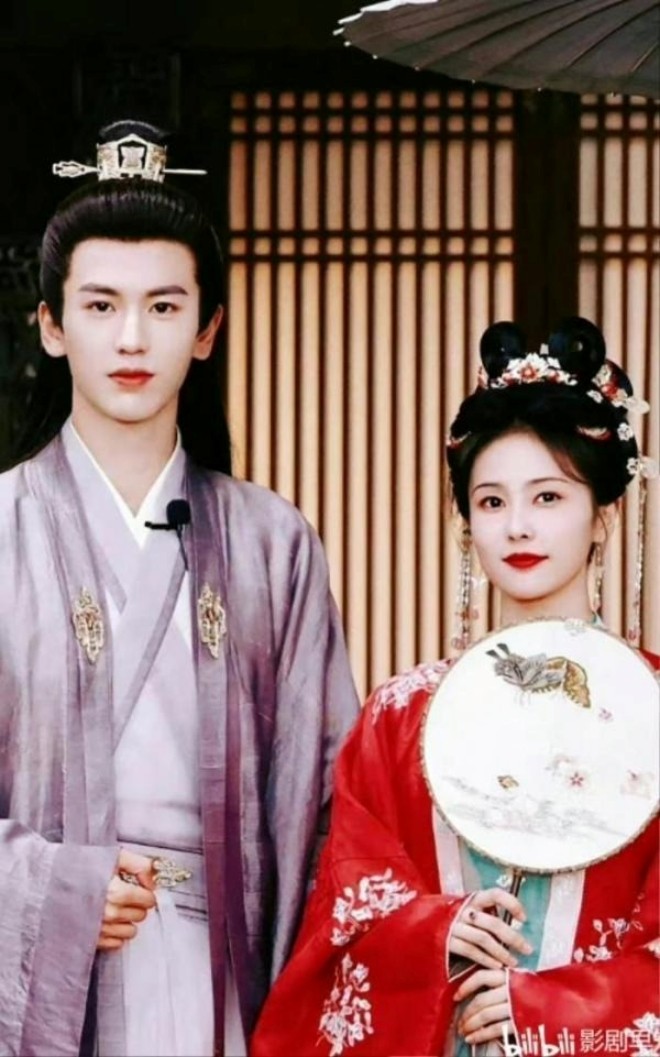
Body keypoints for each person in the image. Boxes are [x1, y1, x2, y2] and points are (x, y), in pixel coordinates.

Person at [0, 119, 359, 1057]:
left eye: (164, 306)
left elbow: (333, 803)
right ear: (51, 325)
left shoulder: (272, 542)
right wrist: (54, 888)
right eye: (100, 304)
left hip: (221, 978)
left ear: (206, 331)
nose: (132, 337)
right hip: (43, 990)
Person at [250, 318, 660, 1057]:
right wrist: (435, 931)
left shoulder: (653, 706)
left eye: (548, 497)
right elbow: (346, 912)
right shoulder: (400, 715)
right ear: (466, 521)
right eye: (492, 502)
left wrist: (556, 1008)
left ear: (602, 516)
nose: (518, 527)